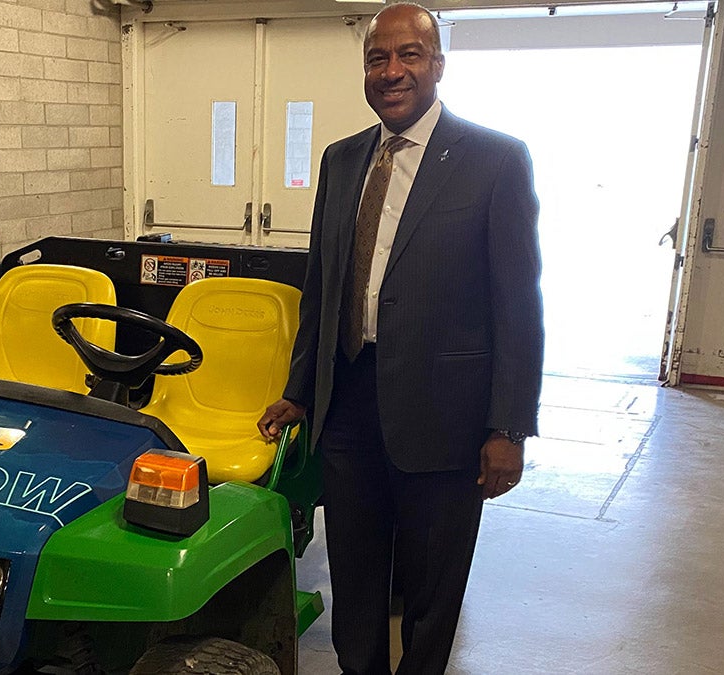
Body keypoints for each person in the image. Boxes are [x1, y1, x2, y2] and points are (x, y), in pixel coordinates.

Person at [257, 4, 544, 673]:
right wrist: (300, 389)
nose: (392, 72)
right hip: (349, 405)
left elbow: (518, 304)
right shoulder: (341, 159)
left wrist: (509, 426)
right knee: (355, 575)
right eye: (377, 58)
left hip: (447, 413)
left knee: (431, 587)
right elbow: (322, 288)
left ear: (437, 64)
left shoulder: (495, 160)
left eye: (409, 56)